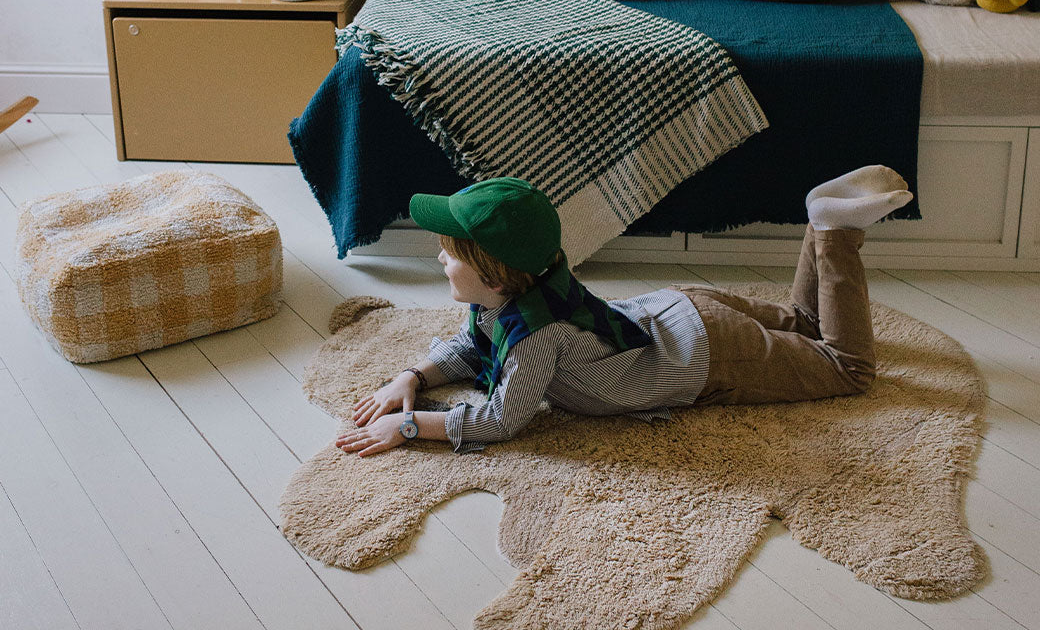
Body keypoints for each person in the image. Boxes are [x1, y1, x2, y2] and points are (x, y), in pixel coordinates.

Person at [336, 169, 912, 458]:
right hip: (682, 309)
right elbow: (473, 348)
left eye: (452, 253)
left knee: (848, 368)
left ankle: (835, 233)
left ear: (495, 275)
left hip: (712, 354)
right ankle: (822, 222)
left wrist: (411, 426)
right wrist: (412, 377)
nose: (440, 257)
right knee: (805, 324)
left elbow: (501, 421)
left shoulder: (536, 334)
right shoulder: (519, 292)